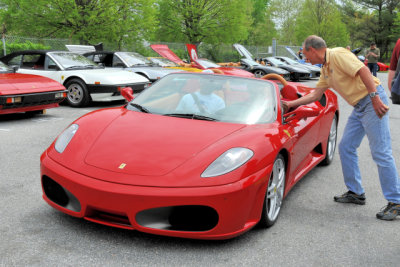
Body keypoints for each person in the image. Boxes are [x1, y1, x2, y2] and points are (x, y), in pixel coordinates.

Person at [282, 35, 400, 221]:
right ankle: (355, 192)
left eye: (305, 53)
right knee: (346, 147)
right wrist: (290, 105)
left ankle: (396, 201)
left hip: (371, 102)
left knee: (381, 152)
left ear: (313, 49)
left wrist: (374, 97)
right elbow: (315, 95)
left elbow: (363, 70)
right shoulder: (326, 69)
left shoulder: (337, 55)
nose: (305, 58)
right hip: (360, 106)